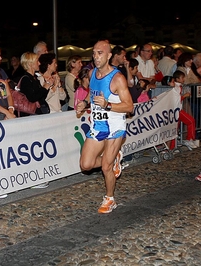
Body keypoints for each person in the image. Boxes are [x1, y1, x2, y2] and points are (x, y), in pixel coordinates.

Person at [76, 40, 134, 214]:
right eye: (94, 53)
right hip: (98, 125)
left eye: (100, 53)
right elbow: (91, 94)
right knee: (85, 165)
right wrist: (84, 103)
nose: (96, 56)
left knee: (105, 168)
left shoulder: (117, 78)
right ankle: (114, 159)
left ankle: (110, 198)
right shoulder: (93, 73)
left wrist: (108, 105)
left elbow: (129, 107)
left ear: (109, 56)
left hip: (115, 126)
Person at [17, 51, 51, 116]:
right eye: (37, 61)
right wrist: (44, 88)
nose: (39, 63)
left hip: (36, 112)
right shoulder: (26, 79)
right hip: (30, 114)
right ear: (30, 64)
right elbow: (32, 98)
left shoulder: (34, 78)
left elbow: (42, 97)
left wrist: (47, 86)